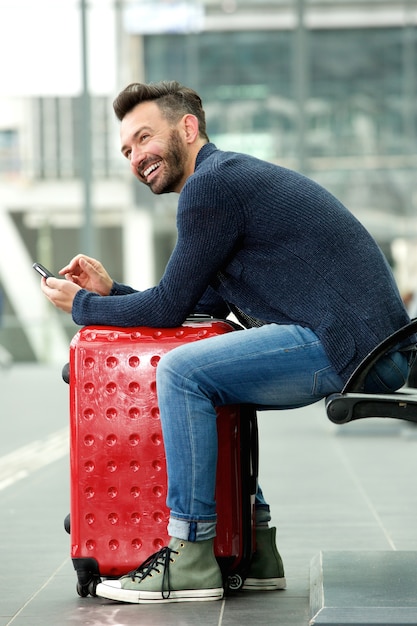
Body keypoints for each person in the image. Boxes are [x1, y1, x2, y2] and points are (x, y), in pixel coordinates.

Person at [39, 80, 414, 605]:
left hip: (355, 349)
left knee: (184, 372)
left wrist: (82, 307)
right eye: (126, 150)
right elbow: (197, 305)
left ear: (187, 128)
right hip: (370, 345)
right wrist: (110, 292)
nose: (136, 157)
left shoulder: (211, 187)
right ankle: (255, 546)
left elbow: (169, 308)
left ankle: (191, 554)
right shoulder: (225, 182)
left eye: (144, 138)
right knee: (215, 360)